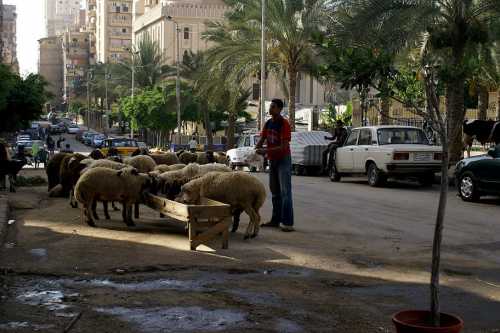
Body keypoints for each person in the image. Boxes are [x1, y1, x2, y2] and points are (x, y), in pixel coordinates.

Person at [255, 98, 294, 232]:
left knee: (285, 192)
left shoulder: (284, 124)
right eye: (270, 107)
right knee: (275, 192)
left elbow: (283, 147)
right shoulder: (268, 123)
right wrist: (256, 148)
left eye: (272, 107)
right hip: (273, 160)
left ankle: (287, 222)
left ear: (279, 109)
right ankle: (275, 220)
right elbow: (262, 139)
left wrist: (265, 150)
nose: (270, 109)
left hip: (283, 159)